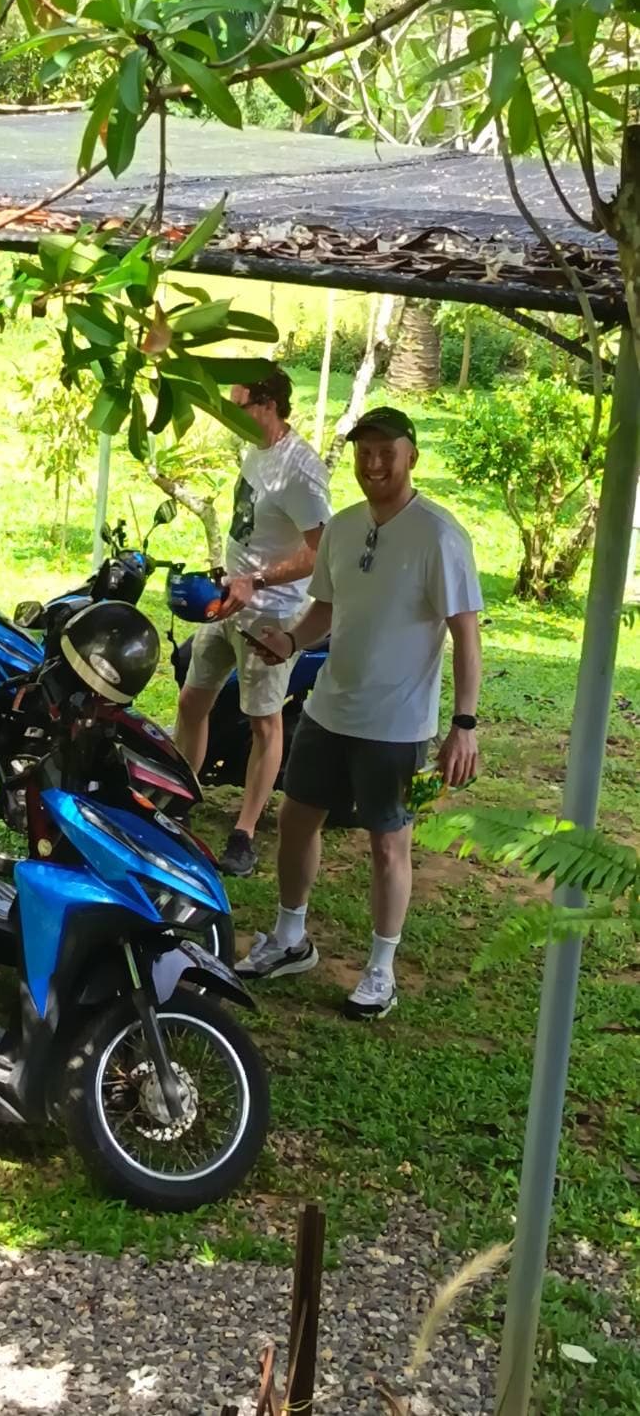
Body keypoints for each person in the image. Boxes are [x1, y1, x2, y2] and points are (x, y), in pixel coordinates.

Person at [236, 406, 483, 1021]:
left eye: (386, 453)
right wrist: (290, 641)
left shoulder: (440, 535)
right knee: (295, 821)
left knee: (387, 845)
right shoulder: (342, 528)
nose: (373, 464)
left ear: (411, 457)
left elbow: (466, 633)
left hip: (398, 723)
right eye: (364, 453)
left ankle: (380, 969)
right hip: (328, 709)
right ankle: (291, 938)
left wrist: (465, 724)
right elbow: (324, 609)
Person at [174, 363, 331, 877]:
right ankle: (180, 798)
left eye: (236, 405)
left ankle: (243, 832)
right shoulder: (255, 450)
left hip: (270, 613)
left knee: (265, 722)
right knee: (192, 699)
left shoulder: (300, 469)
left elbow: (320, 549)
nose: (228, 416)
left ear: (266, 405)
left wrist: (257, 580)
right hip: (228, 602)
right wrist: (232, 574)